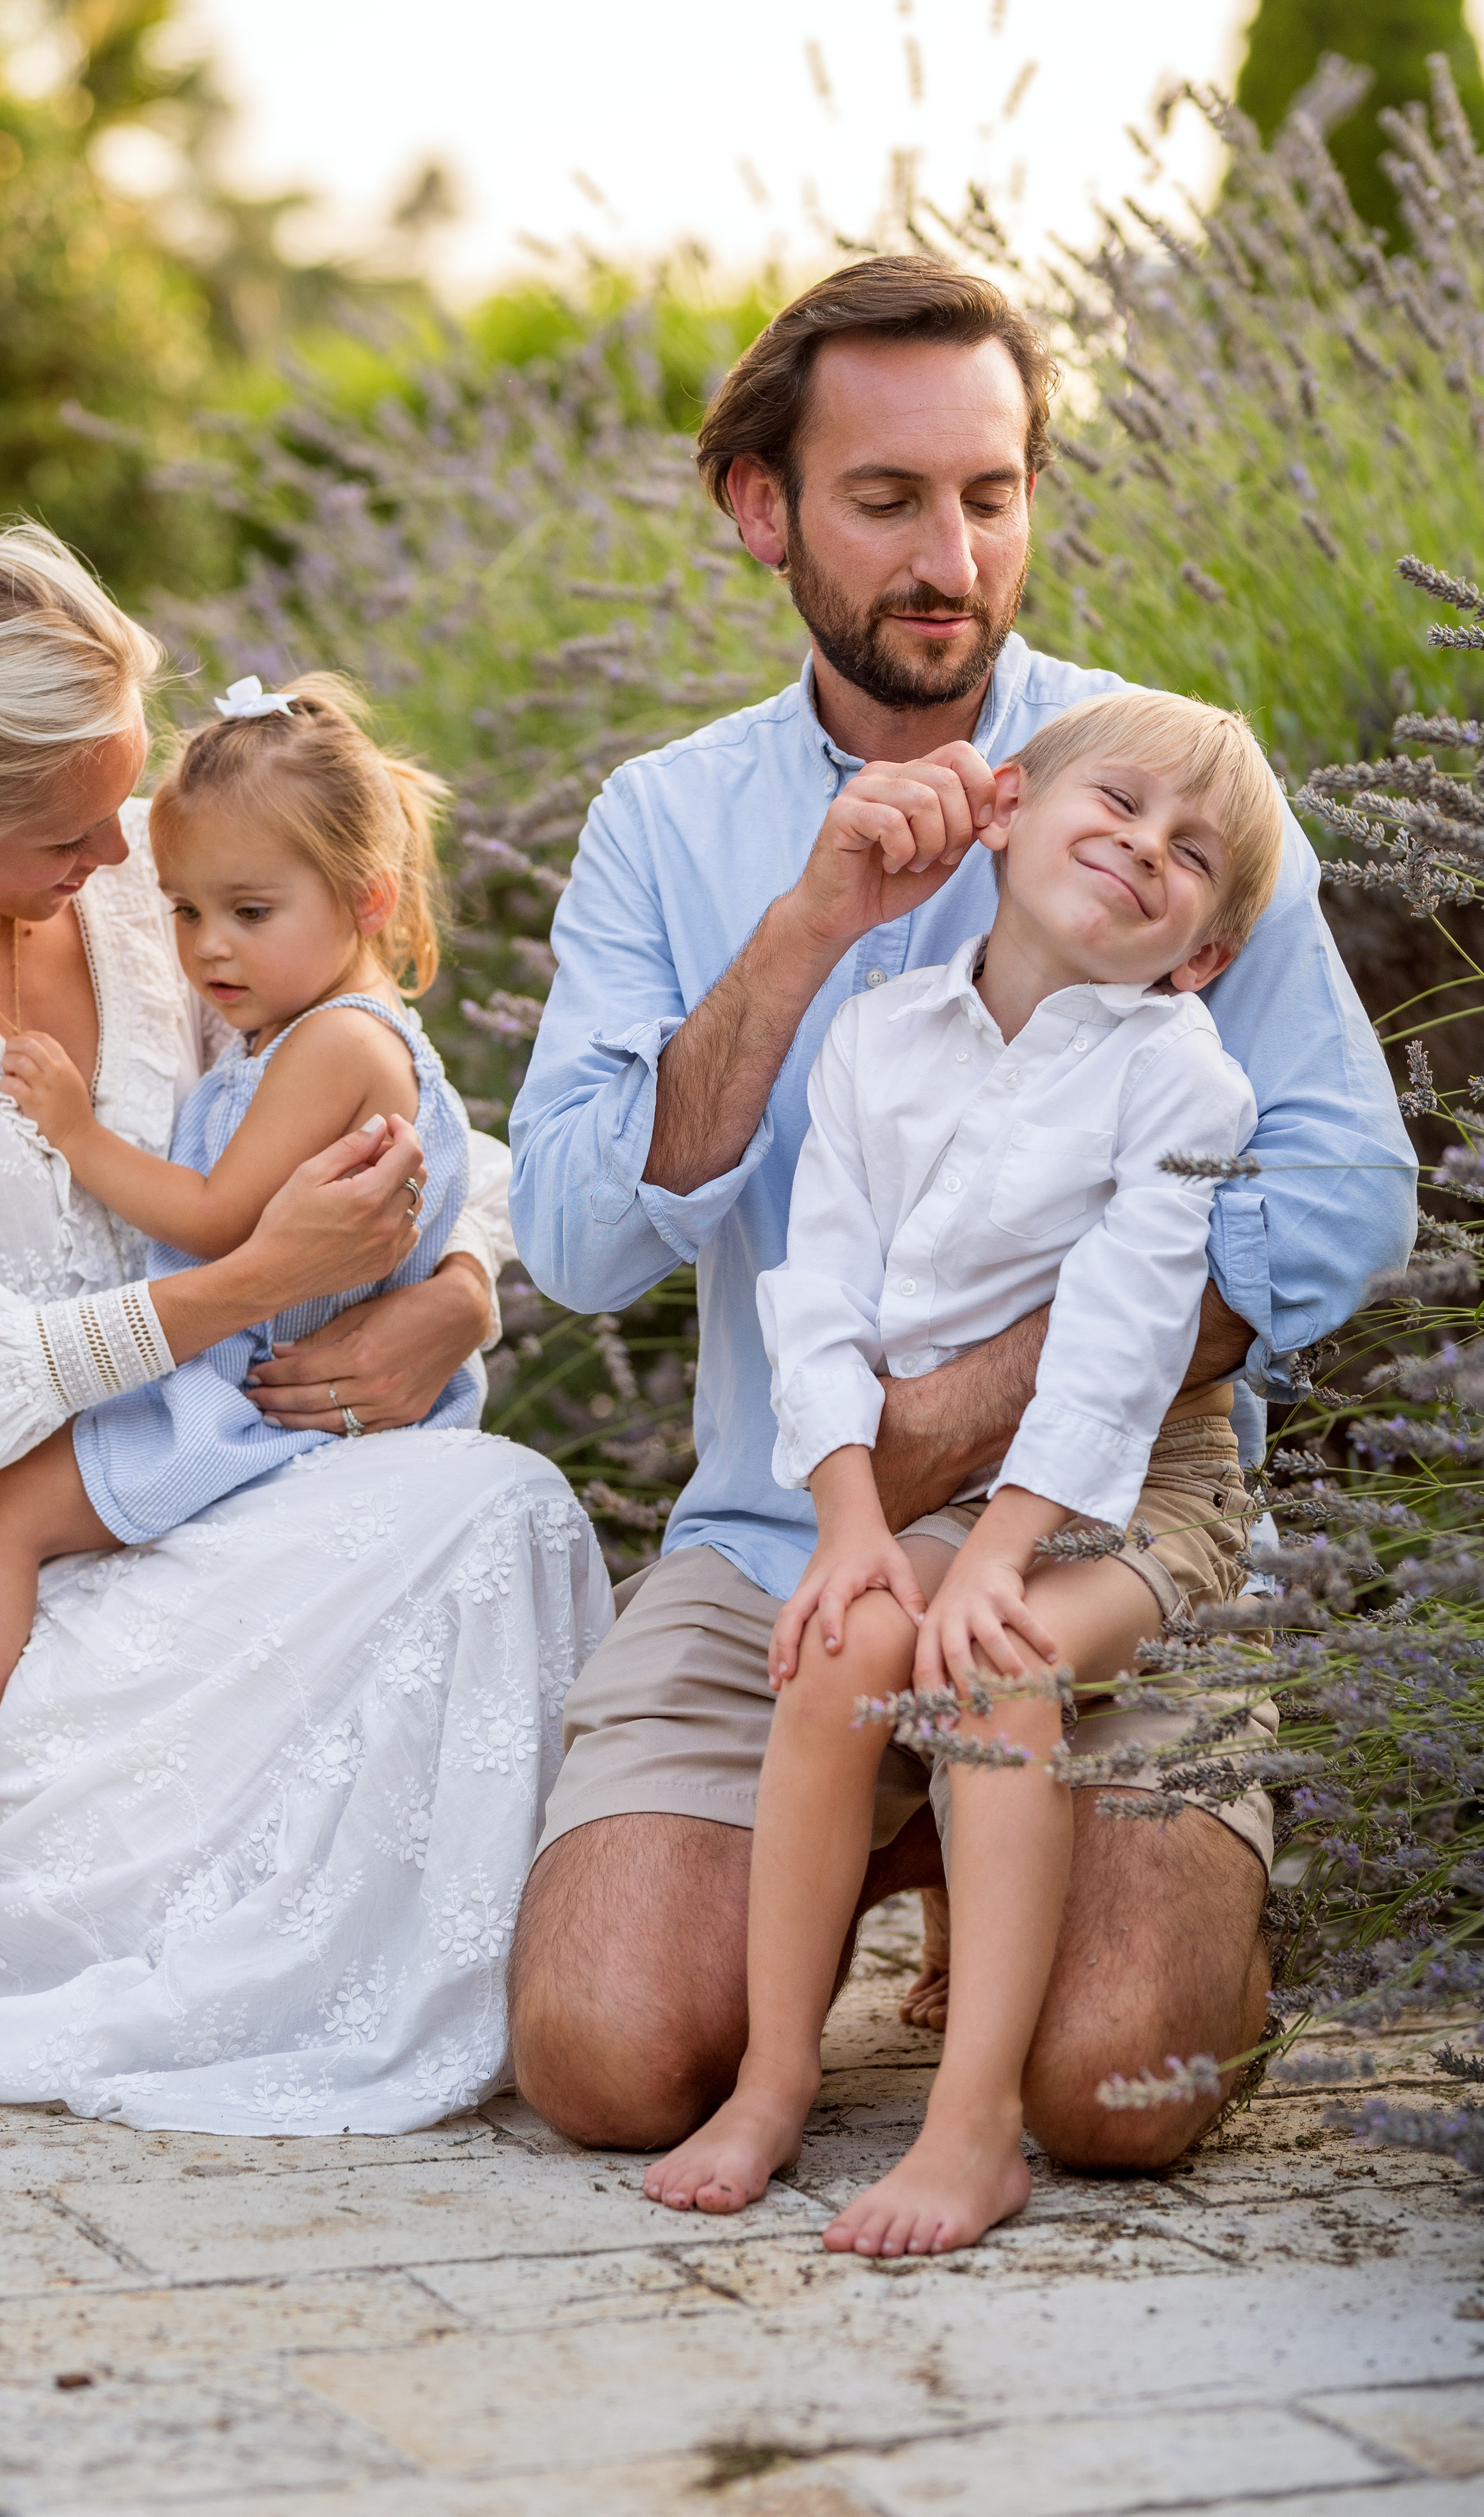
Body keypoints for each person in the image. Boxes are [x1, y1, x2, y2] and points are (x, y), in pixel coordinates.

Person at [507, 254, 1417, 2165]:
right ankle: (891, 1843)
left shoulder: (1165, 791)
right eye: (888, 498)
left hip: (1097, 1544)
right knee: (604, 2056)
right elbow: (582, 1245)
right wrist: (800, 942)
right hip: (785, 1548)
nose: (953, 554)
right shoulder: (669, 825)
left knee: (1120, 2092)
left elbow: (1343, 1192)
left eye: (990, 496)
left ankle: (1126, 1869)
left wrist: (961, 1425)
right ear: (762, 510)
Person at [0, 526, 610, 2133]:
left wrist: (452, 1290)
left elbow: (403, 1112)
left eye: (122, 807)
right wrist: (235, 1290)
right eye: (68, 835)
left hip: (212, 1470)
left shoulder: (165, 871)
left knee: (504, 1511)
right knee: (75, 1933)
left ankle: (557, 1972)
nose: (119, 865)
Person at [643, 690, 1279, 2251]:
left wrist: (994, 1563)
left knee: (988, 1669)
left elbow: (1124, 1354)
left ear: (1197, 955)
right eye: (1116, 803)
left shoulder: (1180, 1079)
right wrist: (851, 1528)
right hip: (915, 1489)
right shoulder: (878, 1034)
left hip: (1137, 1492)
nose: (1141, 846)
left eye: (1189, 855)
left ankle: (971, 2124)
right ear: (1001, 815)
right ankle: (778, 2078)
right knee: (843, 1651)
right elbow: (820, 1292)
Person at [0, 666, 484, 1932]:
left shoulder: (311, 1017)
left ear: (364, 899)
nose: (172, 920)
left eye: (234, 911)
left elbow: (237, 1216)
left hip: (225, 1406)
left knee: (18, 1528)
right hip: (91, 1408)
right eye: (73, 833)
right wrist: (277, 1272)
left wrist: (462, 1288)